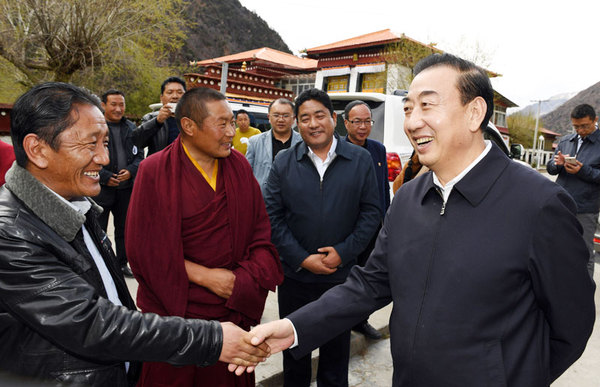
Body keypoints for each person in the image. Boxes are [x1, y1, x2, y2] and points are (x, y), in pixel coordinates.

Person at [249, 54, 596, 386]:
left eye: (427, 105)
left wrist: (511, 377)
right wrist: (295, 328)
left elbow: (571, 323)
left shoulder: (538, 204)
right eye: (408, 109)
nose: (413, 122)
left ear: (474, 112)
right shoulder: (408, 200)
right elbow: (369, 286)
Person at [0, 82, 270, 386]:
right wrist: (214, 337)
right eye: (91, 144)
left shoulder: (79, 209)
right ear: (37, 149)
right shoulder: (10, 233)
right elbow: (93, 323)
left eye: (104, 143)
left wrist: (242, 283)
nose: (103, 159)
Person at [125, 87, 283, 386]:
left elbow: (261, 235)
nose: (231, 132)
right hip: (176, 318)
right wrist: (206, 277)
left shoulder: (238, 166)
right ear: (188, 126)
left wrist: (242, 282)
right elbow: (143, 251)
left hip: (230, 313)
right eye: (221, 124)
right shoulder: (154, 171)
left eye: (232, 123)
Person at [263, 88, 381, 387]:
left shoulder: (360, 159)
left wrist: (343, 252)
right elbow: (271, 217)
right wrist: (302, 258)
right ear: (296, 124)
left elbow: (371, 213)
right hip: (295, 278)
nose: (313, 124)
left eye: (319, 116)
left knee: (335, 359)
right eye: (305, 118)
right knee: (294, 356)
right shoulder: (284, 162)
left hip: (340, 280)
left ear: (334, 118)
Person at [343, 100, 390, 340]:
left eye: (367, 121)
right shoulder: (338, 149)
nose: (363, 126)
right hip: (347, 229)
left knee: (368, 277)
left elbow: (384, 188)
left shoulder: (378, 149)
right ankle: (342, 318)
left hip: (373, 228)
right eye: (357, 121)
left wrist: (387, 221)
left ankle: (361, 320)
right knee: (346, 277)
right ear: (345, 123)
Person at [547, 103, 600, 278]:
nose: (580, 130)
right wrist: (557, 164)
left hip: (586, 208)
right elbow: (550, 168)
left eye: (584, 126)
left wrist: (582, 170)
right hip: (561, 203)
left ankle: (583, 297)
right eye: (576, 126)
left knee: (584, 253)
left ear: (595, 120)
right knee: (557, 248)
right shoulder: (565, 141)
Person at [94, 89, 143, 277]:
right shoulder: (96, 127)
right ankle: (101, 264)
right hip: (102, 188)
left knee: (124, 228)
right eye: (113, 104)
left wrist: (130, 172)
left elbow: (139, 156)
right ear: (103, 105)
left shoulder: (131, 128)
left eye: (121, 104)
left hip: (126, 189)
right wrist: (106, 176)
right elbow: (89, 156)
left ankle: (122, 263)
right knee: (99, 228)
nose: (118, 108)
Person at [246, 98, 302, 193]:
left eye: (285, 115)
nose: (281, 119)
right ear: (269, 117)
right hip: (264, 199)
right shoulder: (255, 142)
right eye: (276, 115)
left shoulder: (303, 142)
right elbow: (246, 174)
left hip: (294, 199)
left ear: (293, 119)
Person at [132, 76, 186, 155]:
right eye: (170, 92)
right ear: (161, 98)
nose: (175, 96)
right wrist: (157, 121)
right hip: (160, 165)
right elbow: (137, 142)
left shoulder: (193, 118)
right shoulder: (151, 117)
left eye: (180, 92)